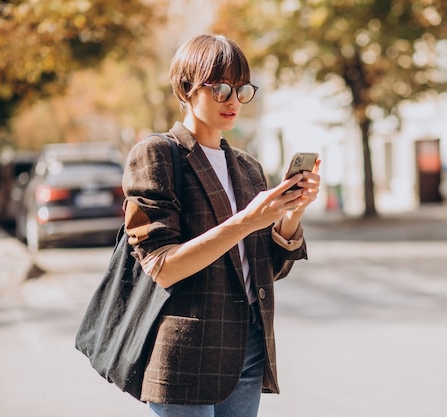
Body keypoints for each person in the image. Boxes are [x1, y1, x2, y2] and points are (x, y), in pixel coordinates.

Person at [121, 34, 321, 417]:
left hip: (248, 344)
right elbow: (161, 268)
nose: (232, 100)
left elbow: (266, 269)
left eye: (241, 89)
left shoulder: (247, 168)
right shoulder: (157, 154)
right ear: (186, 88)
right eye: (221, 88)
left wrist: (293, 213)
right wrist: (247, 220)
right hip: (185, 352)